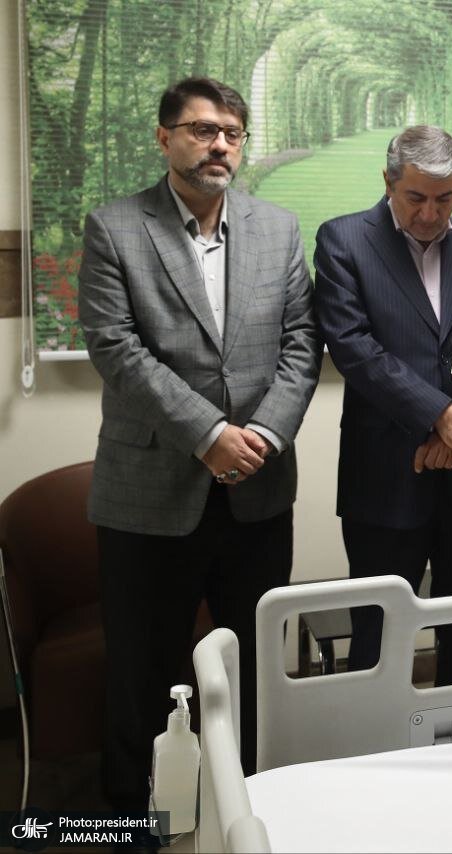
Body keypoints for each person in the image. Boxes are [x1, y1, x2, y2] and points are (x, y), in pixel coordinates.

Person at [79, 76, 322, 815]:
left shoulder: (277, 228)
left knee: (251, 665)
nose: (219, 144)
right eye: (201, 129)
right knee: (143, 672)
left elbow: (301, 344)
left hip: (258, 492)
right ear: (165, 138)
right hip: (150, 494)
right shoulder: (115, 227)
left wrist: (263, 436)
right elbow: (116, 348)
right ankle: (133, 821)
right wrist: (208, 435)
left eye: (231, 134)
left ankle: (242, 810)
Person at [313, 125, 452, 685]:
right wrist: (439, 416)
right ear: (388, 182)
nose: (430, 213)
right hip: (386, 475)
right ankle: (376, 739)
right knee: (379, 636)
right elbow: (354, 348)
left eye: (444, 198)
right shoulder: (343, 241)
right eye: (416, 197)